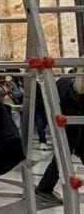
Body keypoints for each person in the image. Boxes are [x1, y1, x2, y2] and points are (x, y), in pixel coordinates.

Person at [36, 72, 84, 204]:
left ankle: (44, 187)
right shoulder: (71, 86)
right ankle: (44, 188)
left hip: (65, 128)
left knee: (60, 158)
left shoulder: (63, 82)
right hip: (73, 129)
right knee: (61, 158)